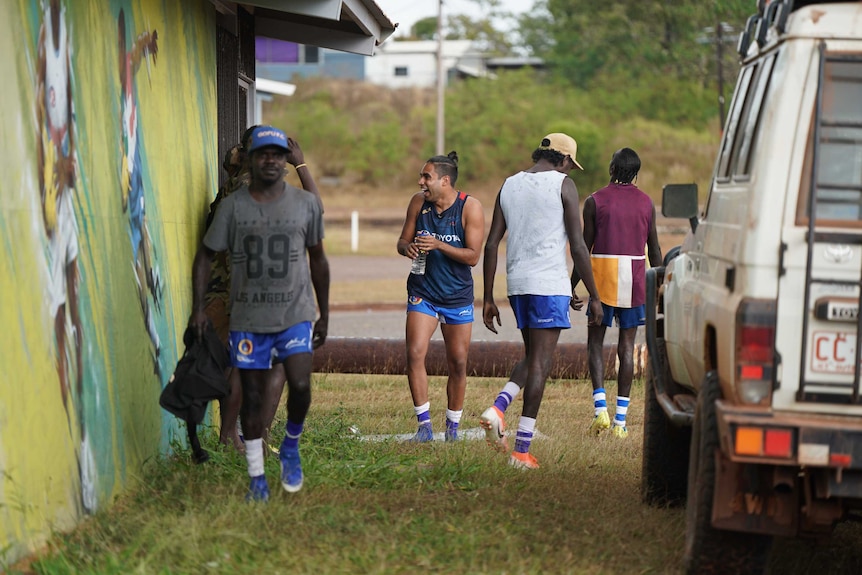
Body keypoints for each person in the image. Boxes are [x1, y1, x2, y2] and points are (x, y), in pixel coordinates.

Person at [191, 126, 329, 502]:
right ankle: (240, 437)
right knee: (248, 373)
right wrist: (301, 164)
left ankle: (249, 437)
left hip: (243, 295)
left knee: (257, 372)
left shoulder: (237, 187)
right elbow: (315, 212)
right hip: (242, 296)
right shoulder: (247, 193)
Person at [480, 133, 603, 469]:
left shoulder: (509, 184)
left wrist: (488, 297)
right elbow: (578, 246)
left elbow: (491, 245)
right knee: (541, 365)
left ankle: (498, 409)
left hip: (518, 284)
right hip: (549, 284)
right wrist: (594, 294)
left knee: (533, 356)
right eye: (570, 165)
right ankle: (521, 452)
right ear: (563, 160)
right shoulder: (563, 185)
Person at [36, 0, 95, 513]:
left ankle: (77, 422)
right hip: (53, 212)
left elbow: (64, 129)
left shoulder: (63, 51)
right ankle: (65, 412)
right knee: (61, 315)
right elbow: (44, 131)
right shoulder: (43, 50)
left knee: (73, 312)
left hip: (67, 210)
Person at [573, 147, 662, 438]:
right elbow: (655, 250)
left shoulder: (594, 201)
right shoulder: (647, 204)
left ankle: (600, 409)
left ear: (612, 169)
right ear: (636, 174)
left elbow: (584, 250)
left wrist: (571, 285)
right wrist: (660, 286)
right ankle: (621, 423)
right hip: (635, 282)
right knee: (627, 348)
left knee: (595, 344)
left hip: (601, 280)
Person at [396, 151, 485, 442]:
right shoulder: (418, 202)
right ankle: (424, 427)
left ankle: (453, 429)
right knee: (414, 353)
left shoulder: (470, 208)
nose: (420, 181)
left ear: (445, 181)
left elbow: (473, 257)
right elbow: (402, 240)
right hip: (423, 292)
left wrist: (438, 245)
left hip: (457, 297)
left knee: (458, 362)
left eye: (426, 177)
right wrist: (407, 248)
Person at [118, 8, 162, 374]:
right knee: (138, 246)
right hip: (130, 180)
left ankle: (152, 288)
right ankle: (149, 325)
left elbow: (128, 66)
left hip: (134, 181)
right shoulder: (121, 93)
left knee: (143, 236)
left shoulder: (126, 97)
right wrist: (142, 46)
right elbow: (126, 67)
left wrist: (143, 47)